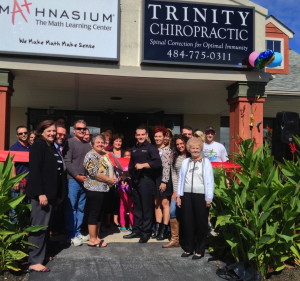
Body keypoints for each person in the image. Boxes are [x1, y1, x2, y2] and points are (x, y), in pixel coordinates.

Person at [26, 120, 66, 272]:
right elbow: (35, 171)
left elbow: (58, 171)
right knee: (39, 227)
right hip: (41, 195)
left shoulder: (51, 146)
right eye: (48, 131)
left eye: (54, 131)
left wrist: (60, 194)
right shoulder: (38, 146)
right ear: (41, 131)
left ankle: (42, 254)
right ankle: (34, 261)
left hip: (52, 195)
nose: (52, 133)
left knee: (47, 227)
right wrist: (40, 193)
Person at [176, 137, 214, 260]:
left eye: (197, 148)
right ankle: (189, 248)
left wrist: (209, 197)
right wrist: (179, 195)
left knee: (201, 223)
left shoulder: (206, 162)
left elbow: (209, 180)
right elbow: (181, 179)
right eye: (193, 148)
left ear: (201, 149)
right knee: (187, 222)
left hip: (201, 195)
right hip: (186, 195)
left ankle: (200, 249)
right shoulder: (186, 162)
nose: (195, 150)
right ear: (189, 149)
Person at [123, 126, 162, 243]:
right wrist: (127, 177)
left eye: (142, 134)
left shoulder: (151, 148)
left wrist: (144, 165)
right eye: (138, 135)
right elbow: (131, 164)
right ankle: (137, 230)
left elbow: (158, 163)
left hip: (147, 181)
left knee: (146, 208)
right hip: (136, 181)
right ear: (135, 136)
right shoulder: (134, 148)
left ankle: (146, 232)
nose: (140, 137)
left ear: (146, 135)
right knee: (137, 208)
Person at [83, 134, 116, 247]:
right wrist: (109, 180)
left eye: (102, 142)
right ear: (92, 143)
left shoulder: (104, 155)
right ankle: (92, 239)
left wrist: (113, 177)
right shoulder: (90, 155)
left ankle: (97, 237)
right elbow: (95, 173)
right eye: (98, 142)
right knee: (94, 213)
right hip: (94, 188)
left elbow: (111, 168)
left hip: (104, 188)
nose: (100, 144)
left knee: (100, 213)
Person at [63, 120, 91, 246]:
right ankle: (71, 234)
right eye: (79, 128)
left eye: (84, 129)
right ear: (74, 130)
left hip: (85, 181)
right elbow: (67, 161)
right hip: (72, 180)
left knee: (81, 208)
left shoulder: (88, 145)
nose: (82, 130)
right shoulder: (69, 142)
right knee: (71, 208)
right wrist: (76, 175)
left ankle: (78, 232)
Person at [163, 134, 190, 248]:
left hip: (189, 190)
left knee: (187, 214)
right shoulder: (175, 157)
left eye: (181, 144)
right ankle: (175, 240)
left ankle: (187, 239)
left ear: (186, 144)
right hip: (178, 190)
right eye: (177, 144)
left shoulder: (191, 156)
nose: (179, 146)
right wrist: (175, 191)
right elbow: (174, 175)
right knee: (173, 211)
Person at [152, 126, 173, 241]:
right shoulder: (154, 149)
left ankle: (164, 230)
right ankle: (157, 228)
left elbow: (166, 167)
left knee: (165, 204)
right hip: (155, 178)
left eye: (160, 136)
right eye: (156, 136)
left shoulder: (167, 151)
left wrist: (164, 181)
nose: (158, 138)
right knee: (156, 204)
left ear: (164, 137)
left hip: (163, 179)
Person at [9, 126, 30, 198]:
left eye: (25, 133)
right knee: (16, 207)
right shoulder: (14, 148)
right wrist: (15, 181)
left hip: (30, 181)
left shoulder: (31, 147)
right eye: (21, 133)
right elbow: (12, 166)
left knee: (28, 206)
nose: (23, 135)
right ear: (17, 135)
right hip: (19, 182)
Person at [118, 149, 133, 232]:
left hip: (131, 188)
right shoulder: (120, 165)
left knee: (131, 206)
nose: (127, 157)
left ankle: (131, 224)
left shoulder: (133, 165)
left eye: (129, 155)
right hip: (123, 188)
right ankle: (123, 224)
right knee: (122, 206)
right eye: (125, 155)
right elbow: (118, 176)